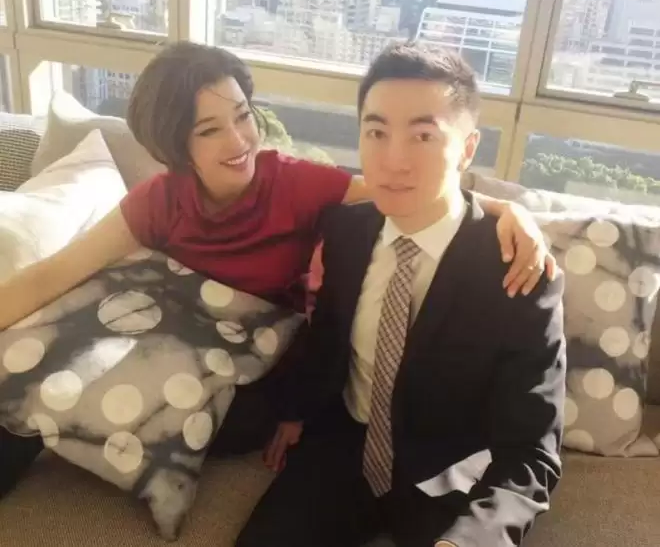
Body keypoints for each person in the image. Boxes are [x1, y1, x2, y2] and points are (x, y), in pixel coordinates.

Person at [0, 41, 554, 500]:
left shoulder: (294, 183)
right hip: (166, 340)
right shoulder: (159, 201)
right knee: (29, 372)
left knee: (230, 421)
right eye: (209, 130)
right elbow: (53, 275)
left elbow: (408, 194)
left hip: (252, 369)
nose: (239, 141)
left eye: (243, 116)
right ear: (175, 144)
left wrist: (510, 211)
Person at [236, 43, 566, 547]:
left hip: (452, 472)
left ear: (467, 149)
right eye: (376, 132)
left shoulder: (519, 270)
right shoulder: (346, 231)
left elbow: (532, 451)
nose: (394, 161)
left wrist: (471, 540)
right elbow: (328, 335)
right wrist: (295, 409)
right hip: (342, 447)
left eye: (423, 136)